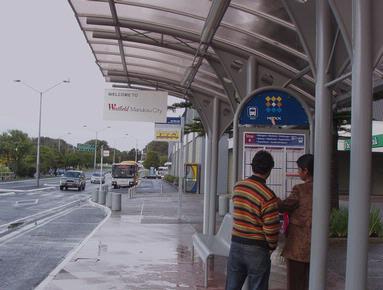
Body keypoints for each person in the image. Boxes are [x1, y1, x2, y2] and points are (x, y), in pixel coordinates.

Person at [226, 150, 280, 290]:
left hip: (236, 244)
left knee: (232, 285)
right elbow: (271, 228)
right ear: (269, 169)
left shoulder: (238, 187)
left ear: (252, 166)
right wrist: (271, 247)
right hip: (257, 248)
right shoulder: (268, 196)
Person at [279, 154, 314, 290]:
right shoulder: (323, 189)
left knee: (295, 282)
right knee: (309, 281)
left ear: (305, 171)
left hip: (297, 246)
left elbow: (284, 206)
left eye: (299, 170)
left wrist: (275, 200)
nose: (298, 172)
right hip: (316, 246)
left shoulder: (300, 189)